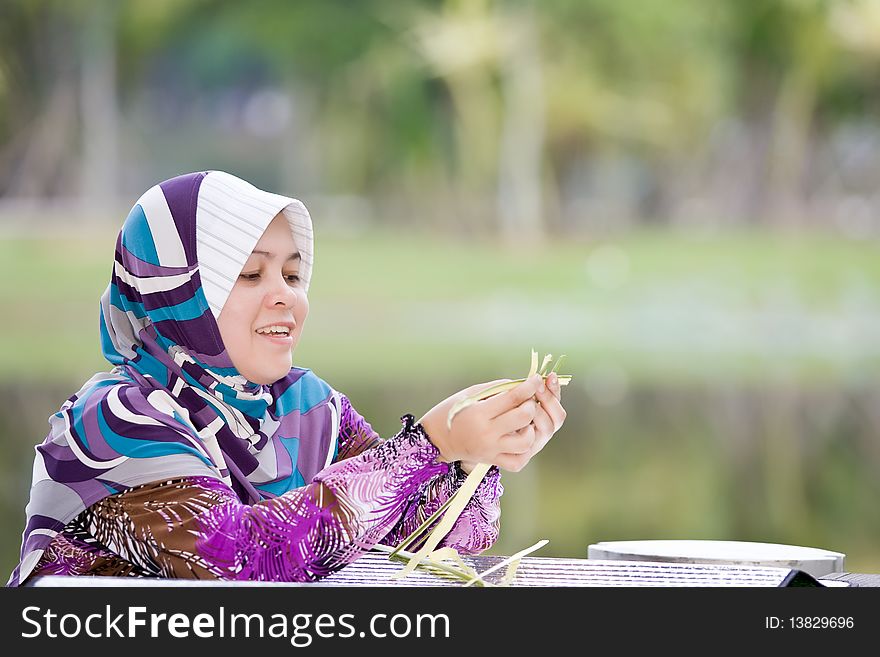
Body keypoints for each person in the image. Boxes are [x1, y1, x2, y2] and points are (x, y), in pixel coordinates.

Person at [8, 171, 566, 585]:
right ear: (176, 293)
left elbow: (432, 542)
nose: (284, 294)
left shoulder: (309, 407)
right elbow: (248, 562)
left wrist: (473, 456)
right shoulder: (117, 421)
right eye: (249, 273)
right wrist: (427, 445)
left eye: (293, 273)